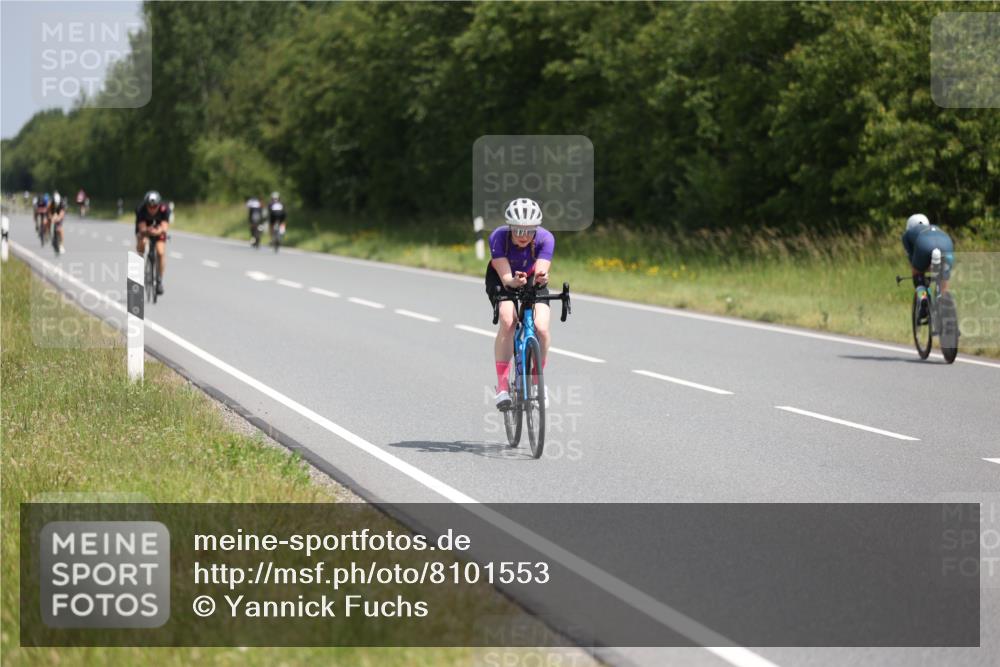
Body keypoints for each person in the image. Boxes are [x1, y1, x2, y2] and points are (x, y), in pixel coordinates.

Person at [486, 198, 555, 410]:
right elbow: (506, 277)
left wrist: (541, 278)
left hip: (532, 277)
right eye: (518, 231)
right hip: (502, 277)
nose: (523, 236)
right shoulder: (498, 237)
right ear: (510, 227)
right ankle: (503, 387)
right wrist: (512, 282)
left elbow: (542, 269)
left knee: (541, 328)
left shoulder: (546, 238)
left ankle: (536, 382)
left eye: (529, 231)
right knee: (509, 321)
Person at [902, 213, 955, 318]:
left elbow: (912, 259)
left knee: (917, 273)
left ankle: (923, 299)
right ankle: (946, 305)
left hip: (924, 245)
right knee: (944, 282)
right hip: (947, 244)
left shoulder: (907, 235)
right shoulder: (936, 228)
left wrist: (919, 272)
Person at [135, 190, 171, 295]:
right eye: (149, 207)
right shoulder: (140, 209)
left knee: (160, 252)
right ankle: (140, 267)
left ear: (159, 205)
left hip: (158, 229)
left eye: (154, 207)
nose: (151, 209)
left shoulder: (165, 209)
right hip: (145, 228)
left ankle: (159, 280)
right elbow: (141, 228)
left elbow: (164, 227)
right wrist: (147, 231)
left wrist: (157, 231)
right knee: (142, 244)